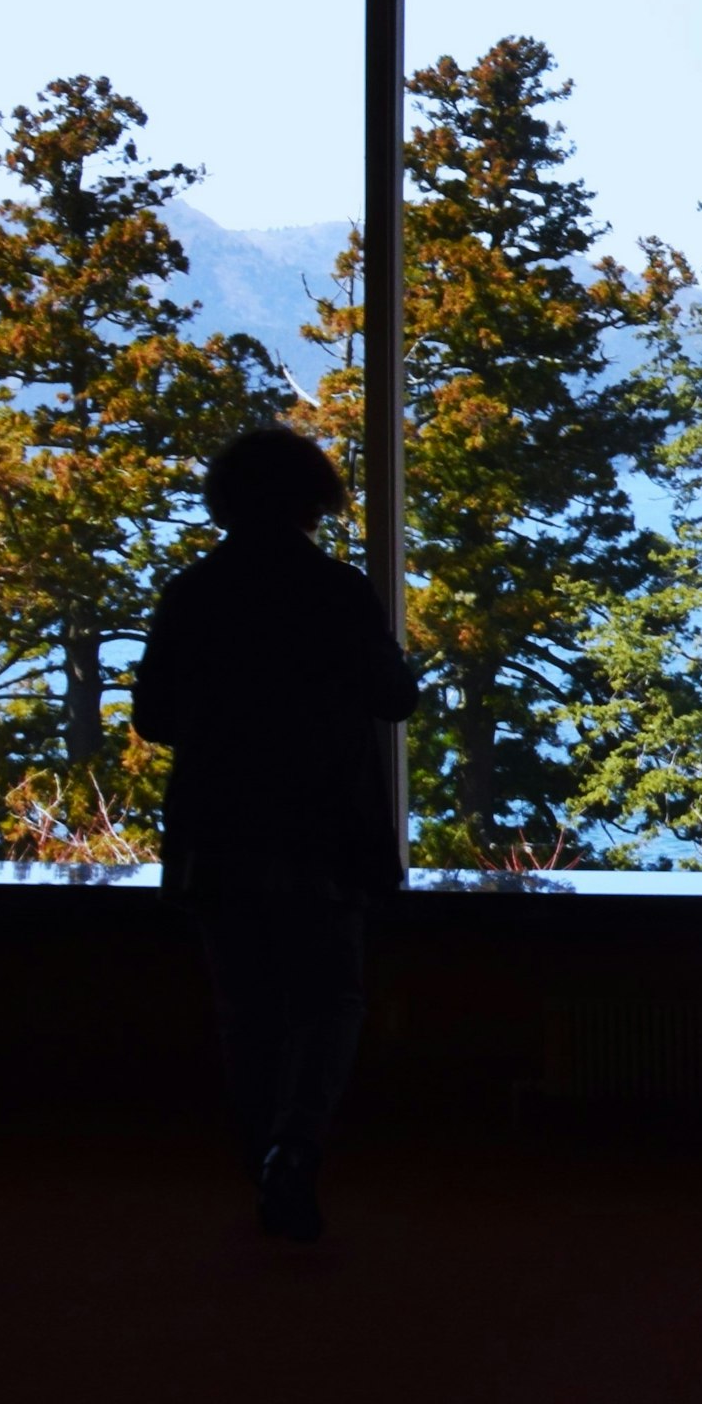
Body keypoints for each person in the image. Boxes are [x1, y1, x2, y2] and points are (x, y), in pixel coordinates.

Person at [131, 424, 420, 1241]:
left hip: (217, 829)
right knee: (331, 997)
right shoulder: (336, 590)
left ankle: (262, 1152)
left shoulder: (193, 591)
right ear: (312, 499)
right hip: (324, 829)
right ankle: (294, 1151)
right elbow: (395, 698)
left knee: (247, 1006)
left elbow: (154, 719)